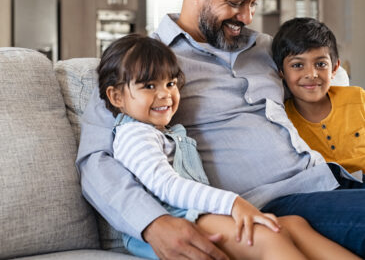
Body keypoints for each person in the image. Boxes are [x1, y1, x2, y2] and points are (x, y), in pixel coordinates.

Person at [77, 0, 365, 260]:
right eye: (236, 2)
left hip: (330, 179)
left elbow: (320, 83)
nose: (247, 17)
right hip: (267, 204)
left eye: (253, 3)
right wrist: (151, 223)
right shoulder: (142, 68)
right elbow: (94, 161)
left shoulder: (268, 49)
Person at [97, 33, 360, 260]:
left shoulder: (164, 132)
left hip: (200, 212)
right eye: (149, 86)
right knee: (270, 236)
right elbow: (166, 185)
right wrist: (233, 203)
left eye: (170, 83)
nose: (165, 94)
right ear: (116, 96)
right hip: (177, 220)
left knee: (296, 225)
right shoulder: (133, 135)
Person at [271, 17, 365, 177]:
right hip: (327, 190)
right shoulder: (283, 120)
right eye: (297, 65)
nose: (311, 74)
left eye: (320, 64)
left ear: (335, 68)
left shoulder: (357, 98)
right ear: (281, 72)